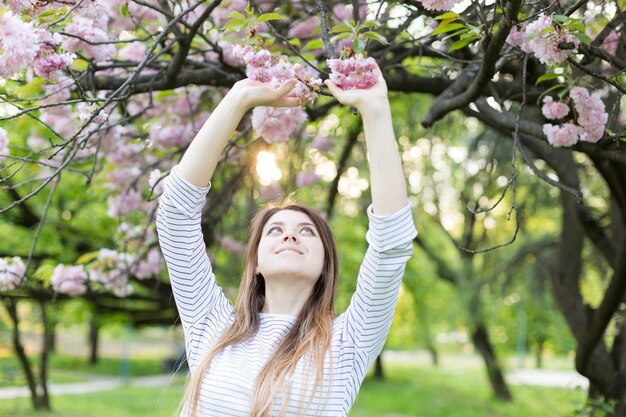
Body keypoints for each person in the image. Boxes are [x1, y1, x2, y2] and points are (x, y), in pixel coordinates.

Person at [156, 63, 417, 417]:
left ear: (325, 266)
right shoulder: (212, 324)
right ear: (257, 263)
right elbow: (175, 216)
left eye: (307, 231)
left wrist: (375, 109)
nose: (291, 233)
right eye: (275, 230)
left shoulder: (346, 344)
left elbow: (391, 246)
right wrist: (240, 97)